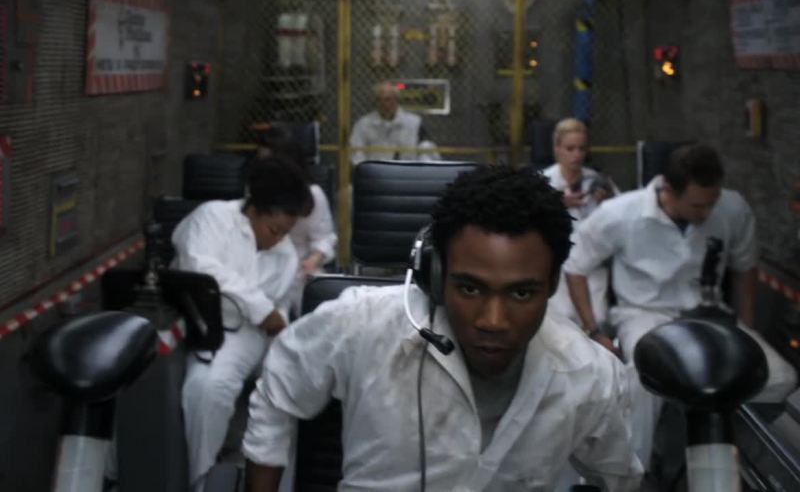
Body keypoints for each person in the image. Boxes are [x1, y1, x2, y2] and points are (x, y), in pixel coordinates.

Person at [243, 165, 643, 491]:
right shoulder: (361, 325)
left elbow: (618, 476)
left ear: (553, 283)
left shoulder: (589, 375)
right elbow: (279, 386)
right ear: (435, 277)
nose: (493, 321)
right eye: (470, 288)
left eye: (521, 293)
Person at [563, 144, 798, 469]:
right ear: (669, 191)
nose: (707, 214)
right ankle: (632, 472)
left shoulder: (732, 208)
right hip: (645, 314)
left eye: (712, 203)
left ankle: (738, 456)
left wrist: (747, 327)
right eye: (698, 206)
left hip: (710, 314)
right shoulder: (620, 214)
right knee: (643, 380)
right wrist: (593, 331)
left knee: (779, 379)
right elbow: (576, 266)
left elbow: (745, 267)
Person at [171, 156, 313, 491]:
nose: (278, 240)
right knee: (158, 380)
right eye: (274, 229)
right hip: (189, 316)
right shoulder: (212, 217)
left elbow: (278, 307)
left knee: (211, 386)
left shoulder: (285, 254)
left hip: (243, 334)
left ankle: (199, 480)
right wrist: (260, 308)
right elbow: (201, 271)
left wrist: (274, 320)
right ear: (254, 209)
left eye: (285, 233)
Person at [541, 117, 618, 326]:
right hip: (558, 263)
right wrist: (556, 204)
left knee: (598, 319)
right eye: (570, 148)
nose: (577, 155)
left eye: (582, 149)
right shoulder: (543, 182)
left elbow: (621, 219)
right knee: (562, 318)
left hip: (592, 264)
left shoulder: (599, 182)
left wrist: (608, 204)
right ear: (557, 148)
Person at [255, 124, 338, 317]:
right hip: (263, 266)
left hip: (301, 269)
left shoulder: (312, 195)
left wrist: (312, 261)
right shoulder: (256, 191)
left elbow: (324, 238)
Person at [350, 81, 440, 165]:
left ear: (396, 100)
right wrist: (365, 170)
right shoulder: (363, 124)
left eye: (387, 99)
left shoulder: (414, 123)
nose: (384, 104)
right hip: (374, 172)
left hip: (405, 171)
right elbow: (356, 153)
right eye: (379, 99)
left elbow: (428, 149)